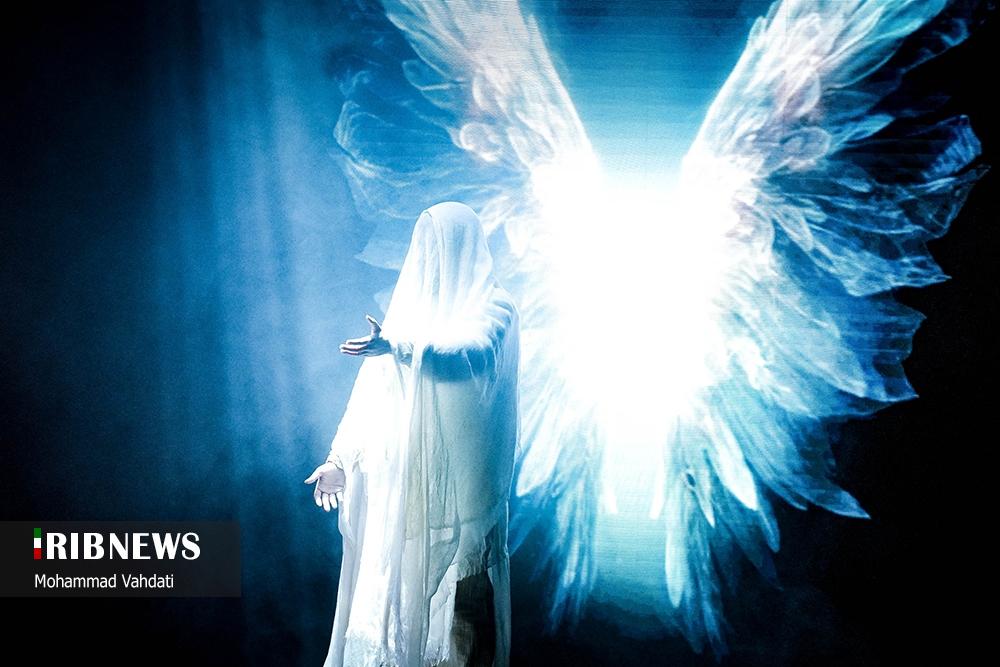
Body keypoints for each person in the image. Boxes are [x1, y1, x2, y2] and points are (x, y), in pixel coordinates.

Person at [305, 201, 520, 667]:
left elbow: (468, 354)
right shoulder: (411, 320)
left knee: (464, 630)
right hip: (411, 499)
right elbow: (371, 399)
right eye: (424, 250)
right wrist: (341, 461)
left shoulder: (495, 309)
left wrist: (399, 346)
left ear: (463, 247)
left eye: (437, 248)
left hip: (468, 508)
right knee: (406, 626)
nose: (429, 261)